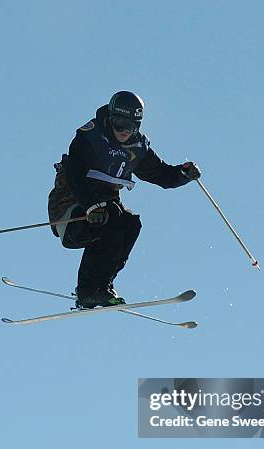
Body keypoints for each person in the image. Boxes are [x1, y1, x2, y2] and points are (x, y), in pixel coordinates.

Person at [48, 91, 201, 308]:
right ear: (110, 118)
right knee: (112, 216)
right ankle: (87, 289)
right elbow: (74, 173)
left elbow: (161, 175)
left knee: (130, 223)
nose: (124, 131)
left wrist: (183, 174)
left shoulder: (137, 148)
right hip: (70, 211)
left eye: (131, 126)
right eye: (119, 123)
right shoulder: (90, 137)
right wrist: (91, 206)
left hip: (104, 212)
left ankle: (102, 287)